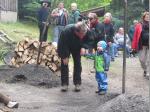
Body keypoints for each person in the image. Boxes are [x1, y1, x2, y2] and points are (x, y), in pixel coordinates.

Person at [57, 21, 94, 92]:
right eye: (81, 35)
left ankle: (77, 83)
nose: (83, 36)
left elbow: (90, 40)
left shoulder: (86, 30)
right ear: (76, 31)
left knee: (77, 64)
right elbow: (61, 45)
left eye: (84, 34)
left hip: (78, 47)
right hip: (66, 47)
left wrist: (84, 47)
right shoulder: (66, 31)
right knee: (64, 63)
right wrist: (64, 56)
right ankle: (64, 84)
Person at [132, 11, 149, 79]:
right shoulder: (139, 25)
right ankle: (145, 70)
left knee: (149, 60)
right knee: (142, 60)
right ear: (144, 17)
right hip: (141, 45)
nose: (148, 18)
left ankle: (148, 72)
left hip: (149, 45)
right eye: (147, 17)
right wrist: (133, 46)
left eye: (149, 17)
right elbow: (135, 36)